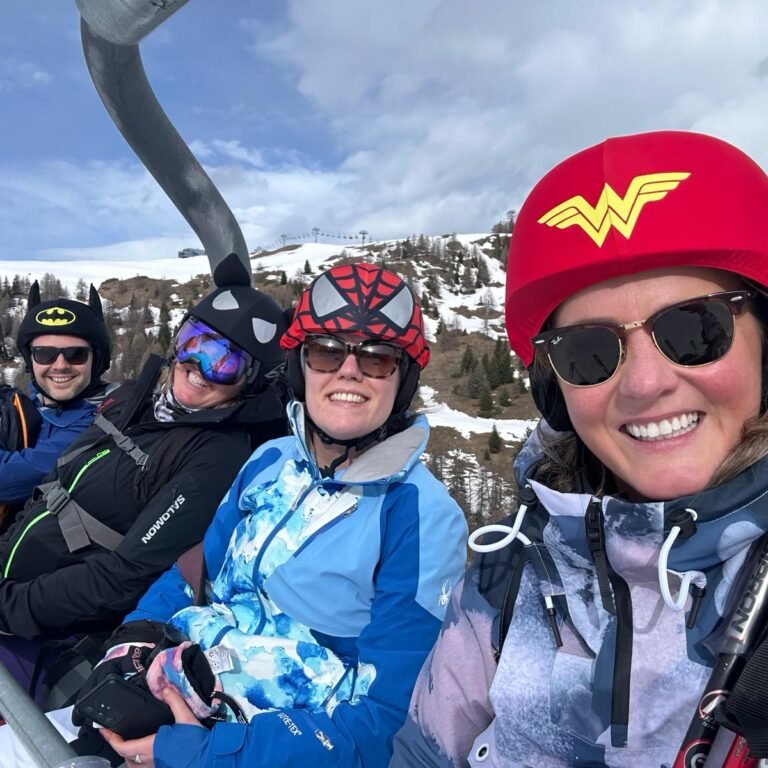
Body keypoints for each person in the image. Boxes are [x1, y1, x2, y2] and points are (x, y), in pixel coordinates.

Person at [391, 130, 768, 768]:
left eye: (695, 330)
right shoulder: (512, 568)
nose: (644, 383)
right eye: (590, 351)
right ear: (554, 390)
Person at [67, 262, 468, 768]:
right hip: (181, 692)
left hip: (268, 746)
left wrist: (205, 755)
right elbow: (195, 574)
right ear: (301, 365)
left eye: (377, 358)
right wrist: (134, 637)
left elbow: (388, 721)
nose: (348, 371)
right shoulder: (272, 462)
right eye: (326, 351)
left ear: (402, 379)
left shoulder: (420, 516)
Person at [0, 253, 289, 704]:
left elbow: (124, 575)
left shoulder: (215, 456)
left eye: (224, 363)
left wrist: (11, 606)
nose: (198, 366)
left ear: (252, 381)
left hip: (51, 631)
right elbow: (50, 492)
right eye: (194, 342)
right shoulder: (136, 399)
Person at [0, 282, 112, 515]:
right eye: (45, 354)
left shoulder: (105, 418)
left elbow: (11, 478)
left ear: (97, 360)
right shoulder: (24, 406)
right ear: (30, 360)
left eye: (76, 354)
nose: (60, 365)